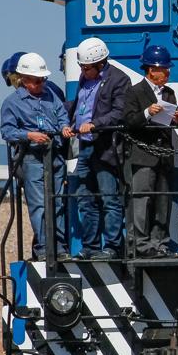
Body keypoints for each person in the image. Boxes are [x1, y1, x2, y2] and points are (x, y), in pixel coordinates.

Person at [0, 53, 70, 261]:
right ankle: (44, 248)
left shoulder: (51, 95)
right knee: (39, 204)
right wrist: (29, 135)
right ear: (24, 79)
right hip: (32, 158)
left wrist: (64, 127)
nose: (41, 84)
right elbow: (7, 131)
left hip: (55, 154)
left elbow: (62, 115)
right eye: (37, 81)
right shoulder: (11, 103)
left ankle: (60, 248)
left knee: (57, 202)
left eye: (43, 80)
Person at [67, 37, 130, 260]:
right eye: (81, 67)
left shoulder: (119, 80)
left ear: (100, 64)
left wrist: (95, 124)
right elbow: (79, 107)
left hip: (105, 148)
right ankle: (90, 247)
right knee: (85, 198)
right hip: (85, 146)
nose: (83, 71)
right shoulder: (85, 79)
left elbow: (119, 112)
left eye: (86, 67)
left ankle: (112, 247)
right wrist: (68, 123)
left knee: (109, 198)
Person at [123, 45, 178, 258]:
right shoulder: (134, 92)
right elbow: (129, 121)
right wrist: (147, 112)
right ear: (151, 69)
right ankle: (140, 245)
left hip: (164, 155)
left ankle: (160, 244)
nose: (167, 73)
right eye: (164, 69)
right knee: (141, 200)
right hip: (143, 155)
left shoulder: (169, 93)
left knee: (162, 201)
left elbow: (171, 121)